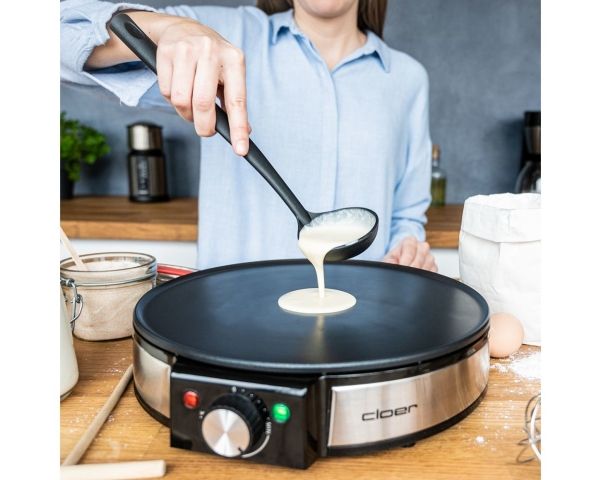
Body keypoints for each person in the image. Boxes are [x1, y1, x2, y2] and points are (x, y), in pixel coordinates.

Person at [61, 0, 438, 272]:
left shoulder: (408, 79)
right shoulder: (220, 39)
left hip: (363, 321)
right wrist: (162, 29)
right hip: (231, 324)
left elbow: (406, 215)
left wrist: (408, 248)